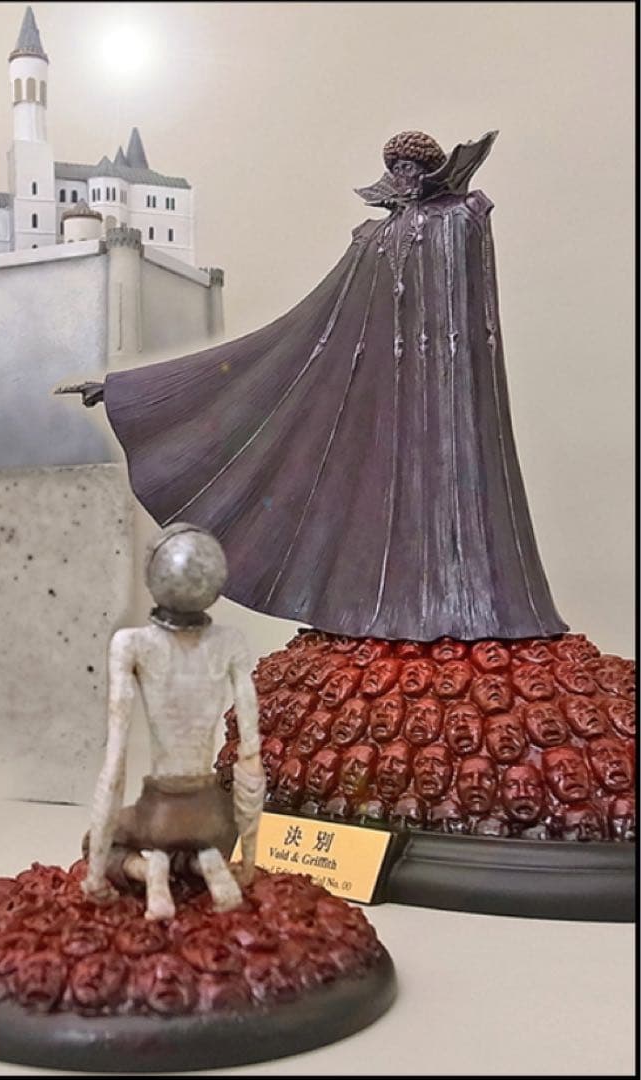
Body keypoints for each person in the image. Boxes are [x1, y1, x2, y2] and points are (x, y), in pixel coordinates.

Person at [59, 130, 567, 643]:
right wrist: (126, 391)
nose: (403, 178)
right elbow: (304, 330)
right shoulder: (371, 240)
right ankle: (384, 606)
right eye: (397, 168)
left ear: (429, 173)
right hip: (387, 410)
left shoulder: (461, 219)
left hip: (451, 399)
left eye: (413, 168)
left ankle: (462, 605)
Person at [82, 524, 265, 919]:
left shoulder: (131, 643)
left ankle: (149, 870)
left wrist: (95, 878)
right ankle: (207, 864)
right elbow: (251, 754)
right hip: (214, 819)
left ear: (153, 576)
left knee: (103, 841)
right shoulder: (231, 642)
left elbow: (115, 762)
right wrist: (248, 863)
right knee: (198, 839)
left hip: (159, 811)